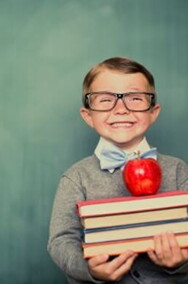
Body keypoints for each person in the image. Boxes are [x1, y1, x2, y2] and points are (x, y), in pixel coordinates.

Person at [47, 57, 188, 283]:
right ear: (88, 116)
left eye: (135, 98)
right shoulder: (76, 177)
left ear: (153, 112)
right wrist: (90, 270)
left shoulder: (178, 171)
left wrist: (180, 262)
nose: (121, 109)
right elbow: (61, 241)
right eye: (105, 100)